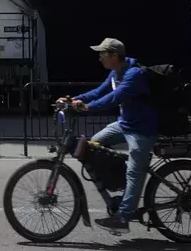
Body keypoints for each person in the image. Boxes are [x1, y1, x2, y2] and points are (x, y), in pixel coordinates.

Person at [61, 38, 158, 234]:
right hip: (124, 124)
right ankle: (119, 181)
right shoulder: (116, 73)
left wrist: (86, 107)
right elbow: (99, 91)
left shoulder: (134, 74)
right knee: (91, 147)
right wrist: (74, 99)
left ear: (114, 56)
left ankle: (123, 217)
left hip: (142, 130)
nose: (100, 58)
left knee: (134, 172)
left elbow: (114, 98)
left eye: (102, 54)